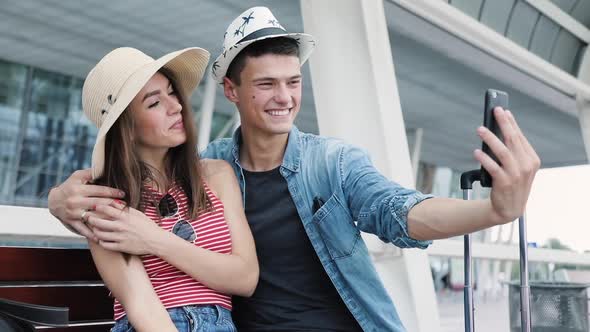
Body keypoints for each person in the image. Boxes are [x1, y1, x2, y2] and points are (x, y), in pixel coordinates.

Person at [49, 7, 540, 331]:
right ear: (232, 91)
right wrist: (59, 199)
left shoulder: (330, 163)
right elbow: (133, 192)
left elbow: (399, 211)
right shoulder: (215, 166)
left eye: (293, 81)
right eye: (266, 84)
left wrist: (494, 211)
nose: (284, 98)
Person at [76, 46, 258, 332]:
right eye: (154, 103)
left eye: (171, 92)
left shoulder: (216, 175)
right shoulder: (106, 202)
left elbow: (245, 278)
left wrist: (153, 239)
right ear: (127, 128)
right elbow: (141, 306)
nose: (176, 106)